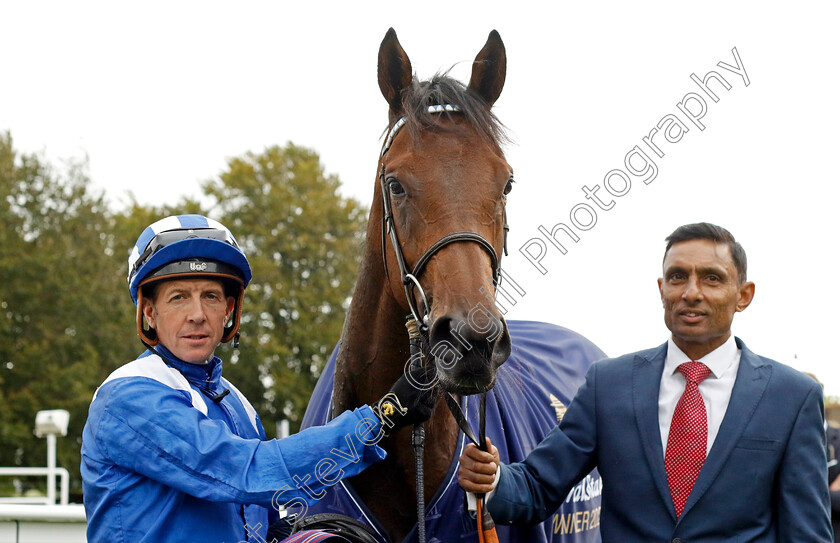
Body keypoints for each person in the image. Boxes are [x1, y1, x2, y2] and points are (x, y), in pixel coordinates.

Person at [459, 222, 832, 542]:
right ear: (661, 289)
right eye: (678, 276)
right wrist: (492, 480)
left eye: (712, 279)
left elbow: (807, 532)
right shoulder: (608, 384)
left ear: (743, 296)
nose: (691, 292)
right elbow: (537, 487)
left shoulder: (793, 397)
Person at [81, 214, 435, 543]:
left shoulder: (238, 404)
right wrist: (382, 417)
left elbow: (262, 515)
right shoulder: (128, 396)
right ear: (150, 313)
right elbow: (243, 472)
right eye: (178, 298)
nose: (197, 315)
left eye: (211, 296)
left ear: (229, 311)